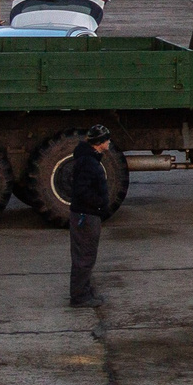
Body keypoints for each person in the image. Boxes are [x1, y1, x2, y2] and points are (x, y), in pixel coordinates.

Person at [69, 126, 113, 308]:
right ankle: (80, 296)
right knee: (84, 256)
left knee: (85, 255)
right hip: (86, 216)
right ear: (99, 143)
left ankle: (84, 290)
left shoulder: (88, 159)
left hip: (86, 214)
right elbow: (81, 190)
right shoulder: (89, 163)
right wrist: (99, 204)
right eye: (107, 140)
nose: (109, 142)